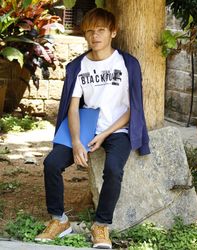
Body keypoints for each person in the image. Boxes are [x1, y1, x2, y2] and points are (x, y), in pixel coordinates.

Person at [35, 7, 150, 249]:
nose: (94, 36)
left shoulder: (127, 64)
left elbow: (133, 110)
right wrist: (77, 141)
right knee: (51, 164)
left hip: (117, 128)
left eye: (100, 30)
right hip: (85, 125)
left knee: (114, 169)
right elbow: (73, 107)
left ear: (113, 32)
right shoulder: (79, 66)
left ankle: (101, 226)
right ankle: (59, 220)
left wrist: (105, 134)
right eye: (89, 31)